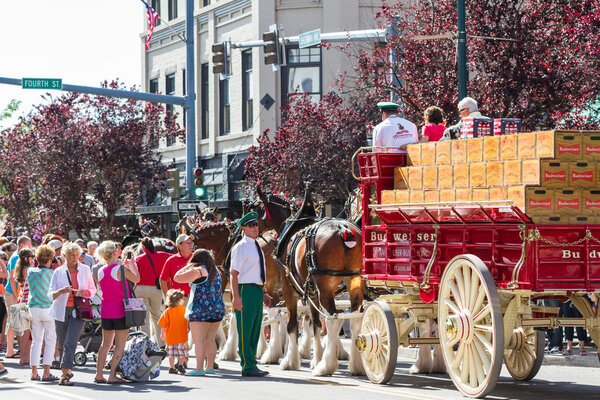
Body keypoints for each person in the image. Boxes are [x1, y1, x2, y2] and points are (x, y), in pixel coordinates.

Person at [48, 242, 96, 386]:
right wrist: (61, 291)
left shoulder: (85, 269)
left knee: (70, 342)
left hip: (79, 310)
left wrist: (86, 292)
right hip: (61, 310)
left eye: (77, 255)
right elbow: (50, 294)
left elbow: (92, 290)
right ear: (64, 256)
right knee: (62, 343)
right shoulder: (58, 271)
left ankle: (64, 375)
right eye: (71, 255)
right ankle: (67, 370)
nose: (75, 258)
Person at [230, 212, 272, 377]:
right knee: (245, 329)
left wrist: (264, 292)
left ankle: (252, 363)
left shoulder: (256, 246)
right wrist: (235, 296)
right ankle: (247, 366)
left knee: (255, 329)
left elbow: (257, 272)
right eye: (251, 225)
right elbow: (234, 273)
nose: (255, 228)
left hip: (256, 289)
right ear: (244, 229)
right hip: (244, 289)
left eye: (256, 224)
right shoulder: (240, 247)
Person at [94, 240, 140, 384]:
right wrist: (133, 264)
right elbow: (137, 279)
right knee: (120, 344)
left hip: (106, 310)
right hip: (120, 310)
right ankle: (112, 375)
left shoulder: (100, 271)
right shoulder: (120, 269)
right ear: (114, 252)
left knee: (105, 344)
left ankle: (99, 374)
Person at [174, 249, 225, 376]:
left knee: (199, 341)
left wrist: (188, 266)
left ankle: (198, 368)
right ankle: (210, 367)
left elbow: (177, 278)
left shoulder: (199, 270)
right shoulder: (216, 271)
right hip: (217, 309)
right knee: (210, 340)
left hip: (200, 310)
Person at [28, 245, 58, 381]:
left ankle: (34, 372)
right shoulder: (52, 273)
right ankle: (46, 372)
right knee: (50, 340)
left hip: (33, 309)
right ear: (49, 260)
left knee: (36, 341)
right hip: (47, 309)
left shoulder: (30, 271)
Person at [135, 237, 171, 347]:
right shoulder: (162, 255)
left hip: (140, 289)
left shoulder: (138, 258)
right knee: (157, 316)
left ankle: (146, 344)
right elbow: (174, 256)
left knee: (143, 318)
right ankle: (162, 343)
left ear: (143, 246)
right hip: (156, 289)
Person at [4, 236, 31, 359]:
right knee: (13, 322)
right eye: (29, 245)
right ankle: (9, 350)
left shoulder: (15, 256)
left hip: (13, 292)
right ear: (22, 246)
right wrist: (16, 295)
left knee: (15, 322)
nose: (30, 248)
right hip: (13, 293)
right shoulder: (16, 257)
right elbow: (12, 277)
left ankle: (13, 349)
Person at [157, 289, 189, 375]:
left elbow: (163, 325)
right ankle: (181, 365)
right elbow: (188, 322)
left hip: (171, 338)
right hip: (182, 337)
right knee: (181, 354)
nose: (183, 300)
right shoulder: (184, 310)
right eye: (182, 299)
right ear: (179, 300)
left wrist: (162, 334)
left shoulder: (167, 311)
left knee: (171, 355)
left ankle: (172, 367)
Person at [14, 248, 35, 365]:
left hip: (21, 300)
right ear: (26, 258)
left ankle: (24, 356)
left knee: (24, 332)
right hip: (27, 301)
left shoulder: (20, 268)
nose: (33, 259)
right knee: (27, 332)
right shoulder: (29, 269)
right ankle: (25, 358)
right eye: (32, 256)